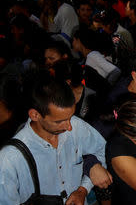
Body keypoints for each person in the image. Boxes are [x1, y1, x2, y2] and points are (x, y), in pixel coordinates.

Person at [0, 75, 107, 204]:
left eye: (71, 116)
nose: (69, 126)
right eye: (59, 121)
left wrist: (83, 188)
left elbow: (101, 150)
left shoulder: (77, 126)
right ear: (35, 115)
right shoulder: (9, 159)